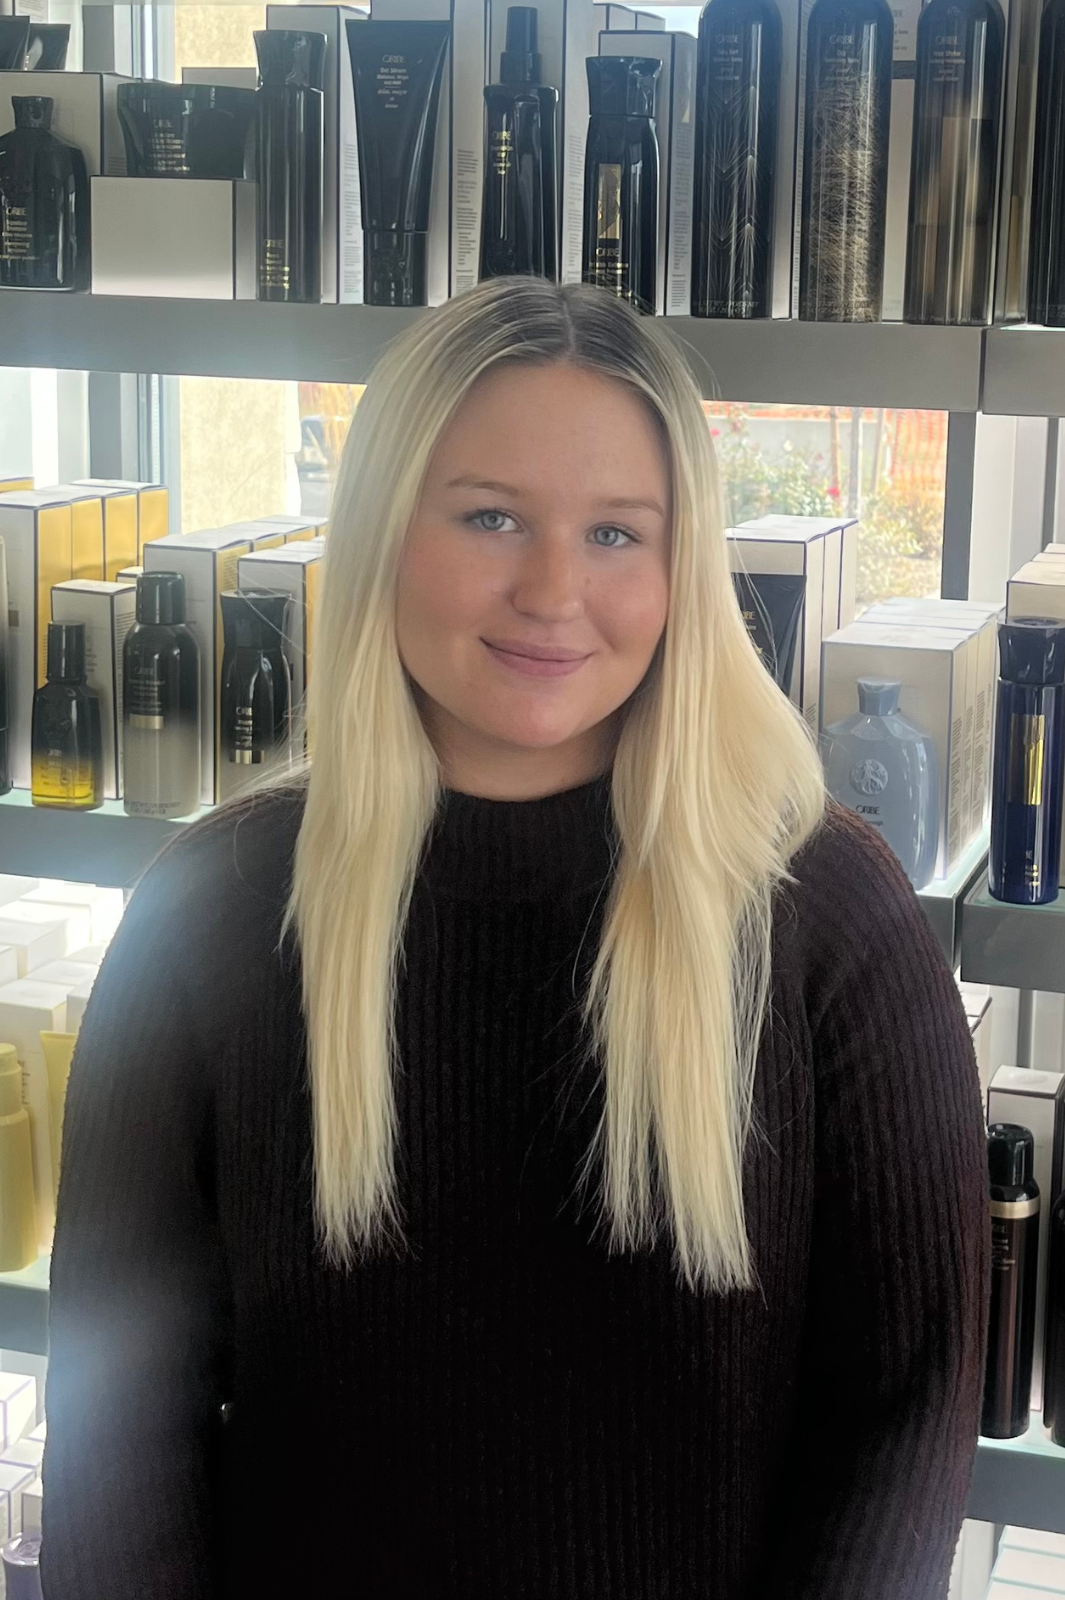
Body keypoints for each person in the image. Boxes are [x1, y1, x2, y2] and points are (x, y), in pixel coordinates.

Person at [40, 278, 990, 1599]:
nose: (554, 591)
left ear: (681, 569)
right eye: (490, 517)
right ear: (382, 532)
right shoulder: (207, 917)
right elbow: (115, 1449)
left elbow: (898, 1424)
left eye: (617, 534)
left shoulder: (828, 917)